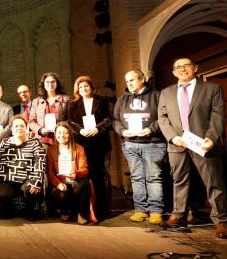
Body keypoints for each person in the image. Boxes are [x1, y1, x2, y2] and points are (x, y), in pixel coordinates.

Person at [158, 57, 227, 238]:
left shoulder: (212, 89)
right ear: (174, 72)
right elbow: (162, 118)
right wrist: (173, 137)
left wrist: (212, 138)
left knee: (213, 182)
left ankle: (222, 220)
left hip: (203, 144)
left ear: (195, 68)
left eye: (186, 66)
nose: (182, 69)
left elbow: (218, 115)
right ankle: (178, 215)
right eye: (178, 67)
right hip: (178, 144)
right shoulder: (166, 92)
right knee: (179, 181)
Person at [114, 69, 166, 224]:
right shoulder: (122, 99)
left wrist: (151, 129)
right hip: (131, 144)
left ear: (142, 79)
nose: (129, 83)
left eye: (132, 80)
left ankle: (156, 211)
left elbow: (165, 116)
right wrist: (123, 131)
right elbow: (115, 120)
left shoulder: (157, 96)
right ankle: (141, 210)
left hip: (153, 144)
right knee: (136, 177)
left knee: (153, 177)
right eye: (127, 81)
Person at [67, 75, 112, 221]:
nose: (83, 89)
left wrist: (98, 129)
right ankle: (84, 211)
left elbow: (109, 119)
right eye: (80, 87)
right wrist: (80, 130)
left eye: (86, 86)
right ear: (77, 90)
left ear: (91, 87)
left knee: (100, 177)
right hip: (82, 144)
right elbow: (70, 121)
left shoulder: (102, 100)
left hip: (100, 144)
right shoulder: (73, 104)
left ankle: (101, 211)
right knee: (84, 178)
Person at [0, 116, 46, 222]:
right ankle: (10, 210)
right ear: (12, 130)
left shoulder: (35, 143)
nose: (19, 128)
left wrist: (37, 180)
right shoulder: (4, 142)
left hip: (27, 179)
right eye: (16, 126)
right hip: (7, 179)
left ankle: (29, 211)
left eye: (22, 126)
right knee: (1, 194)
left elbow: (40, 162)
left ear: (26, 128)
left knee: (31, 189)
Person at [47, 122, 92, 224]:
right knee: (61, 195)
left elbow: (84, 169)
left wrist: (76, 174)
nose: (62, 135)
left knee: (82, 185)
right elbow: (49, 172)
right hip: (61, 181)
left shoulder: (79, 148)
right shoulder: (50, 150)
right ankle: (64, 210)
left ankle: (82, 212)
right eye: (59, 133)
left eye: (65, 133)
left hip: (75, 179)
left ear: (70, 134)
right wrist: (58, 184)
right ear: (55, 134)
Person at [29, 72, 71, 146]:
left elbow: (70, 119)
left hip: (61, 138)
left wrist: (60, 128)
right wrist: (40, 129)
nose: (50, 84)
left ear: (57, 83)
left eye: (53, 82)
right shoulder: (36, 102)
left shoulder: (65, 99)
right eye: (47, 82)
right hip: (42, 140)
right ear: (43, 84)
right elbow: (32, 121)